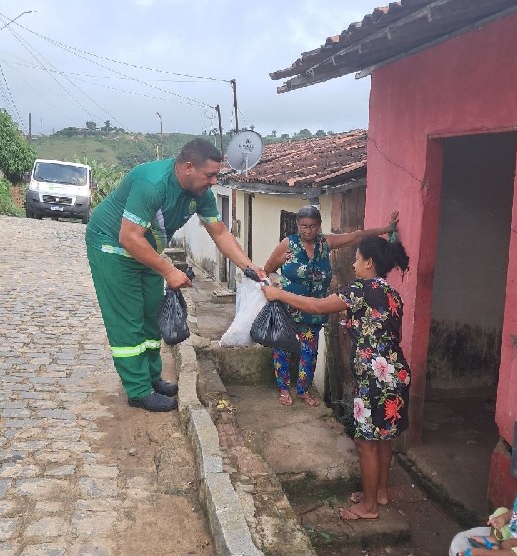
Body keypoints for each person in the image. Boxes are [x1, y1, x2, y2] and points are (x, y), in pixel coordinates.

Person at [86, 138, 264, 412]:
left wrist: (248, 267)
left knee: (151, 315)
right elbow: (129, 237)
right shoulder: (152, 184)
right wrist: (169, 270)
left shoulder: (201, 193)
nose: (214, 181)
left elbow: (219, 232)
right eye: (210, 175)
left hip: (146, 249)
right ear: (188, 167)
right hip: (113, 247)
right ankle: (138, 391)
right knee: (128, 320)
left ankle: (152, 379)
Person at [263, 234, 410, 521]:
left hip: (374, 378)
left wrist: (280, 295)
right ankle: (379, 493)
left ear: (369, 262)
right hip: (397, 372)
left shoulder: (360, 289)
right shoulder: (393, 293)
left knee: (365, 443)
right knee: (384, 439)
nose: (353, 264)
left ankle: (369, 508)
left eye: (357, 259)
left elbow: (318, 306)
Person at [263, 205, 399, 407]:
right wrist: (278, 286)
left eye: (312, 226)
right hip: (287, 310)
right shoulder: (288, 245)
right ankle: (283, 389)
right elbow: (268, 269)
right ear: (297, 225)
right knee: (282, 349)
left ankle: (303, 390)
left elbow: (355, 237)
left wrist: (386, 229)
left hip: (315, 312)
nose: (308, 231)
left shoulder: (325, 243)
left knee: (309, 353)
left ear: (319, 225)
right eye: (303, 226)